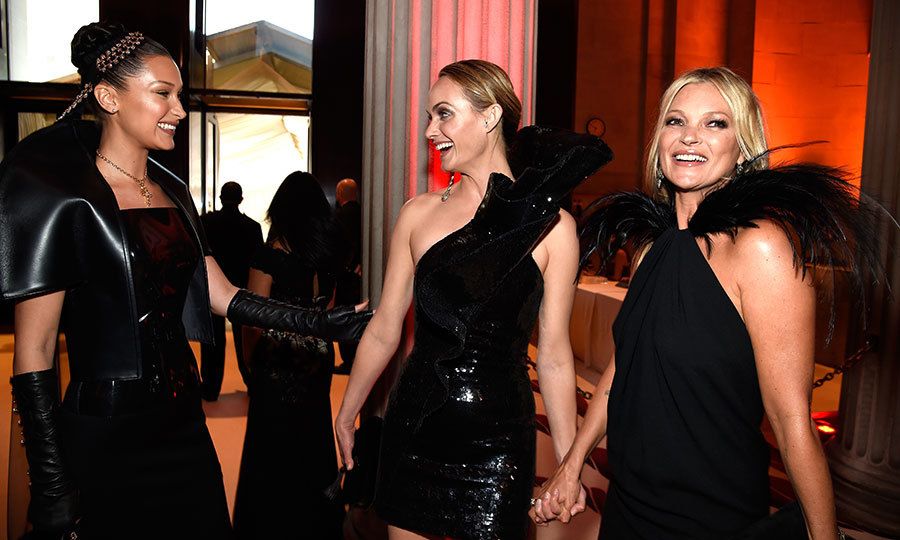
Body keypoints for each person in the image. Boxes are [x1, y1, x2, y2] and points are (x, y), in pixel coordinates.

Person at [0, 22, 369, 539]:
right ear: (107, 96)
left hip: (182, 423)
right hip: (105, 434)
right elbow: (34, 349)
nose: (178, 110)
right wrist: (50, 480)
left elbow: (222, 294)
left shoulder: (174, 194)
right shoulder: (59, 198)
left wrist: (322, 323)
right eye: (162, 94)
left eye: (179, 95)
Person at [531, 67, 885, 539]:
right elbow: (624, 369)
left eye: (715, 123)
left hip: (708, 515)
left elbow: (790, 418)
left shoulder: (760, 248)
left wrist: (824, 536)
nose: (690, 136)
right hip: (629, 506)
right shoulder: (652, 248)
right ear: (658, 141)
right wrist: (572, 463)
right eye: (675, 121)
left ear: (743, 147)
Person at [334, 59, 612, 539]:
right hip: (415, 426)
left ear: (489, 118)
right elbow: (384, 327)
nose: (428, 130)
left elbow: (555, 356)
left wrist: (568, 462)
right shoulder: (417, 215)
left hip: (499, 439)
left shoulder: (554, 229)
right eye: (428, 116)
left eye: (443, 114)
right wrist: (347, 410)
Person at [232, 171, 346, 539]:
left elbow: (252, 318)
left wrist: (252, 365)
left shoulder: (270, 255)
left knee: (270, 448)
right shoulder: (326, 256)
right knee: (313, 439)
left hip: (278, 359)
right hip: (316, 358)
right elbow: (327, 310)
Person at [200, 181, 263, 398]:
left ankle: (210, 387)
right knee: (244, 339)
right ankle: (252, 382)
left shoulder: (206, 222)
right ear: (241, 199)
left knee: (213, 341)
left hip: (212, 287)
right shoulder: (253, 227)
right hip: (241, 288)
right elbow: (258, 263)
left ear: (220, 198)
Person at [334, 177, 362, 374]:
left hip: (345, 275)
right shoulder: (365, 213)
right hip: (362, 272)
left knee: (345, 316)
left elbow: (339, 247)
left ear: (339, 195)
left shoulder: (338, 217)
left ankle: (348, 360)